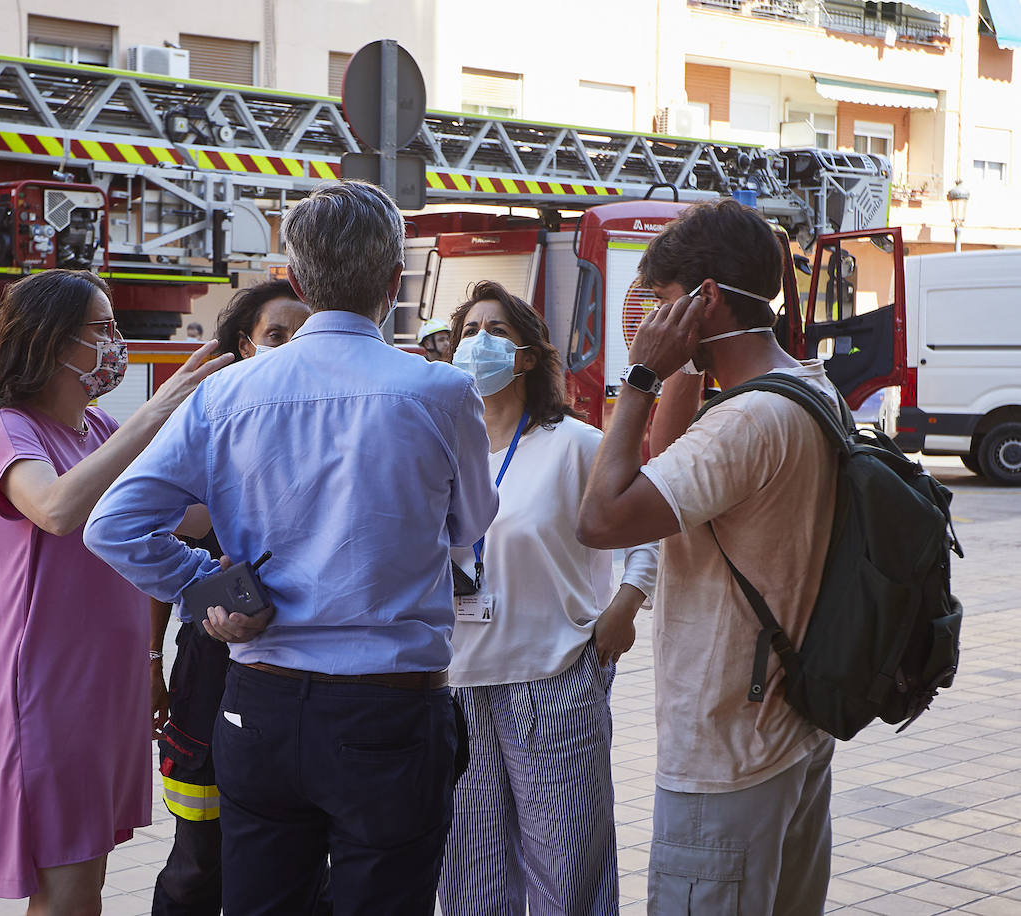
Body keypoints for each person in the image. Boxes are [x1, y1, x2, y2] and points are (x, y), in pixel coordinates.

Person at [85, 179, 498, 916]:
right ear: (393, 284)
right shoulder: (441, 392)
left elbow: (112, 524)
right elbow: (468, 529)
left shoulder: (226, 393)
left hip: (261, 707)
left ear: (298, 281)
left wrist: (210, 591)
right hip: (390, 713)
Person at [576, 199, 839, 916]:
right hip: (788, 735)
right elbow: (669, 463)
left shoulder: (746, 424)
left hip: (724, 755)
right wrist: (687, 363)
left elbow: (603, 518)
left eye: (662, 302)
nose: (653, 320)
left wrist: (641, 374)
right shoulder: (808, 388)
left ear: (707, 298)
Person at [0, 269, 231, 913]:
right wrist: (155, 413)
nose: (114, 343)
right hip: (41, 690)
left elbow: (189, 520)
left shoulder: (94, 429)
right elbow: (54, 508)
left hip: (98, 685)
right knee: (66, 889)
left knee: (85, 881)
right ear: (48, 340)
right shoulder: (6, 427)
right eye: (101, 328)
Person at [437, 281, 658, 916]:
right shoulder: (446, 450)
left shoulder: (576, 444)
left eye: (497, 331)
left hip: (554, 677)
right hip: (457, 682)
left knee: (566, 861)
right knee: (470, 869)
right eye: (469, 332)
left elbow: (648, 525)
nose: (479, 343)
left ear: (529, 355)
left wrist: (626, 604)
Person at [149, 278, 314, 916]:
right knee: (199, 862)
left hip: (306, 681)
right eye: (276, 336)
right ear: (242, 347)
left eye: (303, 336)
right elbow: (152, 546)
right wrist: (150, 665)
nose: (290, 349)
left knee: (293, 861)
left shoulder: (339, 434)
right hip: (211, 678)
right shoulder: (209, 441)